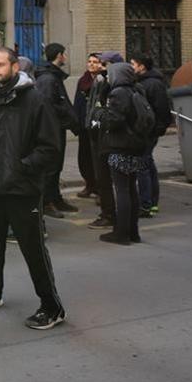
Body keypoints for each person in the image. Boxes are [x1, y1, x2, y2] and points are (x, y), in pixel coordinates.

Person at [0, 47, 65, 330]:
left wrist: (23, 166)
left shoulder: (35, 100)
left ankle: (51, 306)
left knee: (33, 249)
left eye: (0, 64)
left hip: (22, 189)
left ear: (14, 66)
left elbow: (50, 146)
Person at [93, 62, 150, 245]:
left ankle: (121, 234)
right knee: (131, 189)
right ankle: (133, 232)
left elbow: (114, 120)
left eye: (110, 74)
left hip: (120, 146)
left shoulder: (119, 93)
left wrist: (99, 113)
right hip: (135, 145)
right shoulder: (137, 89)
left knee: (122, 190)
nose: (108, 77)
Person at [34, 43, 81, 218]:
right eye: (64, 54)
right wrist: (65, 114)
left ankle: (56, 198)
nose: (65, 57)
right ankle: (47, 202)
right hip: (52, 128)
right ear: (59, 55)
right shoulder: (48, 79)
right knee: (51, 167)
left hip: (58, 126)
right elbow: (48, 105)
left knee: (57, 166)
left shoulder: (53, 76)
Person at [129, 54, 172, 217]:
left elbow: (161, 110)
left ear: (141, 67)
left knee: (142, 166)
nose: (131, 66)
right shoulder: (143, 82)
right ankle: (152, 202)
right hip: (148, 131)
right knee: (148, 164)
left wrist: (155, 130)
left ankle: (145, 204)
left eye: (133, 64)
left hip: (147, 132)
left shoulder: (152, 84)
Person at [85, 52, 122, 230]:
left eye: (104, 64)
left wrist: (98, 120)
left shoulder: (115, 88)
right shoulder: (101, 81)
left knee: (112, 180)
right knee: (106, 179)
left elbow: (111, 116)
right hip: (101, 137)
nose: (100, 67)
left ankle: (111, 216)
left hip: (109, 140)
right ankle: (112, 214)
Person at [73, 53, 103, 198]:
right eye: (89, 61)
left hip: (97, 125)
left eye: (95, 62)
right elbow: (78, 102)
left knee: (97, 157)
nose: (91, 64)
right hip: (84, 124)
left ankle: (100, 188)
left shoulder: (103, 80)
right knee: (84, 157)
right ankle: (89, 184)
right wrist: (76, 121)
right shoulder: (82, 80)